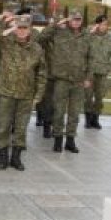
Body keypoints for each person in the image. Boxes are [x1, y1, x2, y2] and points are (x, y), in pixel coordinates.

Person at [0, 13, 47, 170]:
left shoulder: (36, 49)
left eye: (25, 28)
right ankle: (3, 157)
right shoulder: (6, 43)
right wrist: (5, 31)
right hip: (6, 92)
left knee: (21, 127)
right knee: (3, 126)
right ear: (14, 28)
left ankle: (16, 158)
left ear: (30, 30)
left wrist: (38, 95)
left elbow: (42, 73)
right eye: (19, 28)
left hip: (26, 94)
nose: (22, 31)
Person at [38, 10, 92, 153]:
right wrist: (55, 25)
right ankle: (57, 139)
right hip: (61, 79)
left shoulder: (86, 35)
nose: (76, 22)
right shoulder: (59, 33)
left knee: (74, 112)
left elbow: (90, 57)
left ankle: (70, 140)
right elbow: (40, 39)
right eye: (74, 19)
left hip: (79, 81)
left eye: (79, 19)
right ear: (68, 20)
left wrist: (88, 77)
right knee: (59, 111)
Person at [84, 15, 111, 129]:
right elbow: (81, 45)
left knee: (99, 97)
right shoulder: (89, 36)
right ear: (97, 25)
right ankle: (88, 119)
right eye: (103, 24)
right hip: (90, 72)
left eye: (106, 24)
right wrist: (90, 32)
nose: (105, 26)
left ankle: (95, 119)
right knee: (88, 97)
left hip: (103, 72)